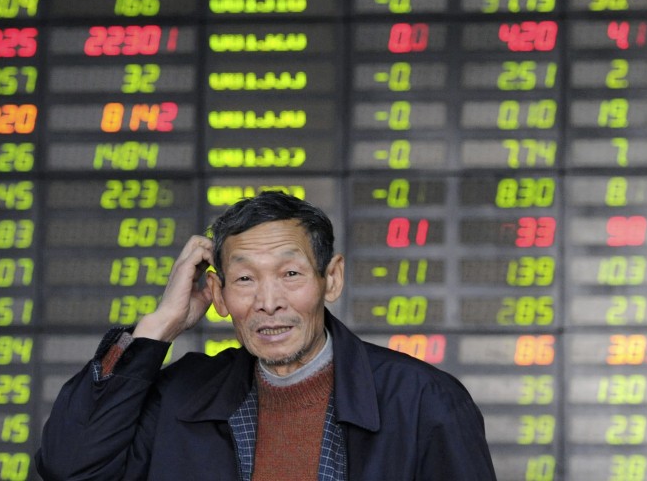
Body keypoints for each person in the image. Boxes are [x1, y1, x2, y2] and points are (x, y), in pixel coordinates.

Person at [36, 191, 496, 481]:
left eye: (291, 273)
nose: (268, 301)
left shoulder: (423, 401)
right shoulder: (181, 395)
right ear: (217, 293)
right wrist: (159, 325)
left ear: (330, 279)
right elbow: (70, 467)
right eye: (244, 280)